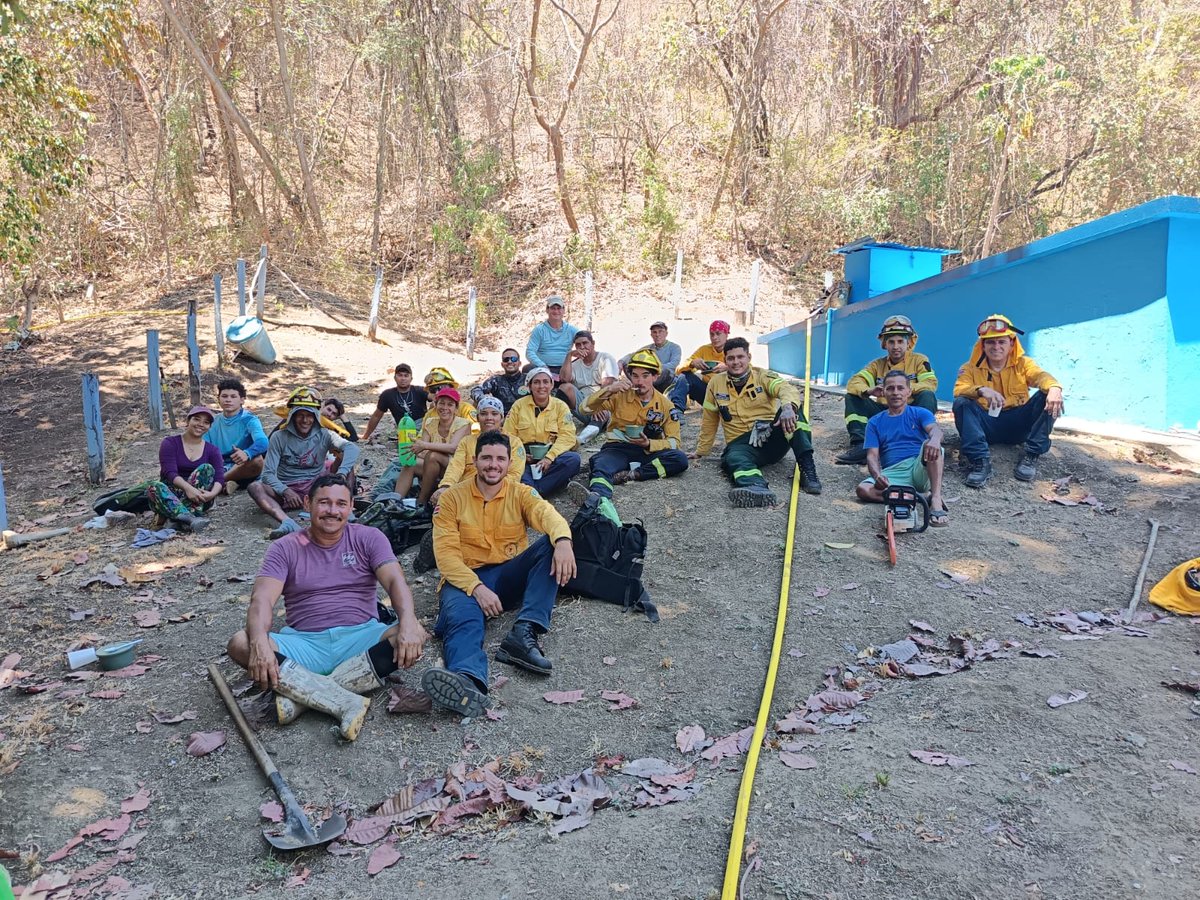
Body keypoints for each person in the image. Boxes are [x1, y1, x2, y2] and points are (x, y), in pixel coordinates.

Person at [225, 474, 427, 741]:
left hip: (360, 638)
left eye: (341, 504)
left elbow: (395, 582)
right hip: (306, 644)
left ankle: (302, 696)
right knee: (241, 642)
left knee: (415, 631)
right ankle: (343, 700)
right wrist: (261, 644)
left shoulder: (369, 537)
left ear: (351, 507)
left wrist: (409, 622)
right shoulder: (284, 548)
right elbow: (262, 600)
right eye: (324, 503)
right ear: (307, 504)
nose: (333, 511)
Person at [421, 432, 576, 717]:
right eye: (487, 458)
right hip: (464, 579)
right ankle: (467, 681)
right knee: (463, 619)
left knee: (550, 544)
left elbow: (547, 514)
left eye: (500, 459)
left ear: (509, 462)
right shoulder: (452, 499)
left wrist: (564, 540)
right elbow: (446, 557)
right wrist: (477, 588)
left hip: (507, 574)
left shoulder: (520, 492)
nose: (493, 465)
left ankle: (524, 633)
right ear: (475, 460)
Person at [691, 336, 823, 507]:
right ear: (725, 360)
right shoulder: (716, 383)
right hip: (741, 444)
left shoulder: (763, 376)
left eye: (740, 357)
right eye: (731, 358)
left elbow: (785, 389)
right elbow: (709, 419)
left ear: (749, 357)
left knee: (794, 413)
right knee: (732, 459)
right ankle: (756, 487)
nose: (736, 362)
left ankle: (808, 469)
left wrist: (788, 407)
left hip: (770, 436)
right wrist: (701, 451)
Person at [952, 314, 1064, 487]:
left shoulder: (1024, 364)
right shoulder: (969, 368)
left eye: (1001, 342)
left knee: (1046, 394)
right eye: (990, 342)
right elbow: (959, 388)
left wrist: (1055, 387)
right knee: (962, 402)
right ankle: (980, 461)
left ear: (1012, 344)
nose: (996, 347)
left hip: (1018, 426)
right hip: (986, 426)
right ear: (983, 345)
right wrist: (981, 390)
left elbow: (1040, 376)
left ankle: (1031, 454)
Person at [250, 388, 360, 539]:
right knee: (255, 487)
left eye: (309, 416)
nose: (305, 420)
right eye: (300, 415)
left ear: (315, 416)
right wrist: (285, 490)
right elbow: (268, 474)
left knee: (344, 459)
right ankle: (287, 522)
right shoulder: (279, 437)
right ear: (292, 416)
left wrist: (341, 473)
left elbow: (352, 447)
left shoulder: (325, 434)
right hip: (287, 486)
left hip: (317, 485)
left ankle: (347, 509)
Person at [579, 349, 688, 501]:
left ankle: (633, 474)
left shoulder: (666, 406)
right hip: (618, 449)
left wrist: (649, 443)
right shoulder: (619, 394)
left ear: (655, 377)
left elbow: (674, 442)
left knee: (680, 459)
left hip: (647, 453)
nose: (639, 382)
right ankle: (598, 500)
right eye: (635, 376)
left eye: (645, 376)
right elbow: (584, 409)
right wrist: (609, 389)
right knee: (601, 464)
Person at [836, 315, 938, 464]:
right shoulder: (877, 365)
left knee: (927, 395)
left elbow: (930, 383)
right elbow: (854, 383)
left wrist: (902, 390)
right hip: (886, 413)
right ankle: (861, 445)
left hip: (909, 414)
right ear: (884, 344)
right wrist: (869, 391)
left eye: (900, 341)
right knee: (853, 396)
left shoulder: (919, 360)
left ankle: (919, 442)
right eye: (891, 341)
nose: (896, 346)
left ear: (909, 342)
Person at [854, 370, 948, 526]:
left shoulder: (920, 413)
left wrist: (935, 439)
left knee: (931, 445)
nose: (895, 392)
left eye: (900, 388)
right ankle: (922, 497)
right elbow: (872, 456)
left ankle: (936, 498)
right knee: (863, 489)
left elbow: (935, 430)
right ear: (883, 392)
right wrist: (878, 476)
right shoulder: (874, 422)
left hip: (919, 467)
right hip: (894, 471)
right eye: (890, 388)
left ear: (909, 391)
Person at [146, 405, 226, 532]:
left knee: (206, 468)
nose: (201, 424)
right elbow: (169, 472)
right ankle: (190, 519)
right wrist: (188, 489)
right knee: (153, 486)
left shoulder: (212, 450)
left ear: (209, 427)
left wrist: (212, 494)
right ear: (188, 421)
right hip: (172, 493)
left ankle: (175, 518)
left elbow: (219, 478)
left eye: (206, 422)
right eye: (197, 419)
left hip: (200, 496)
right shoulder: (170, 443)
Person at [503, 368, 581, 497]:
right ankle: (540, 490)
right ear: (529, 386)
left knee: (573, 460)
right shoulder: (518, 406)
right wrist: (521, 454)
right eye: (536, 382)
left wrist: (549, 458)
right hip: (525, 457)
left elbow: (568, 436)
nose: (541, 386)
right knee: (514, 470)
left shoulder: (560, 406)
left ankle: (534, 492)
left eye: (545, 382)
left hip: (551, 455)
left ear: (551, 385)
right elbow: (507, 435)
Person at [390, 387, 472, 508]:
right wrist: (414, 448)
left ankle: (421, 501)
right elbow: (421, 449)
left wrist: (425, 446)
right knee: (410, 462)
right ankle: (395, 501)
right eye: (441, 403)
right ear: (435, 404)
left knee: (433, 456)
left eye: (450, 405)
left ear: (456, 408)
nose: (445, 408)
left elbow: (453, 448)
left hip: (456, 469)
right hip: (432, 465)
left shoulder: (463, 424)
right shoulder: (430, 422)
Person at [207, 378, 268, 494]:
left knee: (258, 461)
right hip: (218, 465)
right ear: (218, 399)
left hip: (241, 465)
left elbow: (263, 442)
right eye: (224, 396)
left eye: (233, 396)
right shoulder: (212, 421)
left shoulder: (249, 419)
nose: (228, 400)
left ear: (242, 400)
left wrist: (247, 453)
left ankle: (219, 482)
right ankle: (232, 483)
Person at [557, 330, 618, 443]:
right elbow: (564, 379)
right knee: (565, 387)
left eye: (585, 343)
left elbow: (607, 386)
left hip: (604, 404)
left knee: (601, 413)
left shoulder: (605, 358)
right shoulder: (575, 364)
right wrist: (569, 356)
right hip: (584, 406)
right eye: (578, 345)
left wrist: (596, 405)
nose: (582, 347)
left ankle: (580, 439)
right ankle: (558, 427)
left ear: (593, 343)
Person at [670, 320, 730, 412]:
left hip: (730, 398)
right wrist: (692, 363)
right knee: (685, 376)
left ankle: (723, 411)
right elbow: (678, 370)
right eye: (712, 334)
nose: (714, 337)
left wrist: (728, 368)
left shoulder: (734, 349)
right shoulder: (704, 350)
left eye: (718, 334)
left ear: (726, 334)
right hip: (708, 400)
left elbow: (747, 369)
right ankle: (677, 411)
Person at [360, 363, 428, 443]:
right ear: (395, 377)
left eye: (406, 376)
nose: (403, 378)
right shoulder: (387, 395)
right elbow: (376, 416)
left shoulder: (420, 390)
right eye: (400, 375)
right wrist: (365, 436)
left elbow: (435, 398)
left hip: (422, 427)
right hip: (403, 429)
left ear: (411, 378)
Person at [619, 321, 682, 395]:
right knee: (627, 364)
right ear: (651, 335)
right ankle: (641, 386)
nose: (657, 335)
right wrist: (620, 362)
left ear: (666, 333)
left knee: (665, 371)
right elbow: (632, 355)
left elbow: (674, 364)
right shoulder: (648, 348)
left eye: (660, 331)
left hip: (666, 379)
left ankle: (645, 388)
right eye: (654, 332)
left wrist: (654, 368)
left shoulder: (675, 347)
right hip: (648, 376)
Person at [525, 295, 579, 375]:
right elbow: (530, 352)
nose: (556, 311)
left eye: (559, 308)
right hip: (543, 368)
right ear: (547, 310)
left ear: (564, 310)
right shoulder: (539, 330)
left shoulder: (572, 330)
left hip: (565, 367)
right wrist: (542, 365)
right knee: (527, 369)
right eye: (553, 308)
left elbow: (585, 343)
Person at [469, 348, 527, 413]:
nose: (510, 362)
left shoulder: (528, 379)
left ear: (519, 363)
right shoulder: (496, 380)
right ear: (502, 364)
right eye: (506, 359)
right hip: (501, 419)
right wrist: (483, 399)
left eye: (514, 359)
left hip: (525, 417)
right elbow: (476, 390)